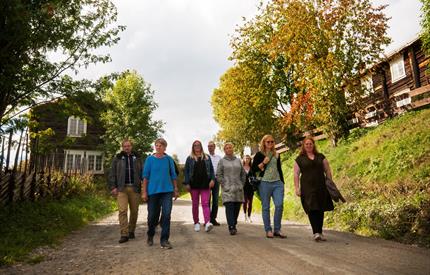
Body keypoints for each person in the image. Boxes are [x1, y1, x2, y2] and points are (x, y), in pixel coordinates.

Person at [293, 136, 334, 242]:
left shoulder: (320, 157)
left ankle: (320, 232)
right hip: (307, 187)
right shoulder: (299, 159)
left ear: (313, 145)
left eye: (310, 143)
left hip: (321, 186)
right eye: (306, 144)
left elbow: (327, 170)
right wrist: (297, 188)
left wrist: (329, 182)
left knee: (320, 208)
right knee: (312, 208)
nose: (308, 145)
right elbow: (296, 174)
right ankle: (315, 232)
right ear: (303, 146)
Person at [141, 138, 179, 249]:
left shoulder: (169, 160)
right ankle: (150, 234)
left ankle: (164, 240)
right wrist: (144, 191)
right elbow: (145, 177)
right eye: (157, 145)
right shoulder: (149, 160)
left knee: (167, 214)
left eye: (161, 145)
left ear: (165, 148)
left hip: (167, 191)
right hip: (153, 192)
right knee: (152, 216)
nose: (158, 147)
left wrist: (175, 189)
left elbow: (173, 175)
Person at [108, 139, 143, 243]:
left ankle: (131, 230)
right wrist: (113, 187)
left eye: (128, 146)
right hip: (121, 189)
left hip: (135, 188)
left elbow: (143, 172)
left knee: (134, 211)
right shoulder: (117, 159)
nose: (127, 148)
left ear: (131, 147)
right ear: (122, 147)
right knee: (122, 211)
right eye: (125, 146)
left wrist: (144, 187)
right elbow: (112, 173)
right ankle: (124, 234)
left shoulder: (137, 158)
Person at [252, 134, 286, 239]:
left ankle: (277, 229)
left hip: (277, 183)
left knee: (279, 205)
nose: (270, 143)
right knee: (266, 207)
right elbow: (254, 169)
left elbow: (279, 169)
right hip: (264, 183)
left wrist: (282, 182)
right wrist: (263, 162)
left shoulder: (277, 154)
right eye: (268, 142)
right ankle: (268, 230)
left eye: (272, 142)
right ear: (264, 143)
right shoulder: (259, 154)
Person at [184, 140, 215, 233]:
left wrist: (213, 180)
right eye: (195, 145)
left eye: (198, 145)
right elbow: (186, 171)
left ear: (201, 146)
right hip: (194, 184)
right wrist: (187, 183)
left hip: (205, 184)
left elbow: (212, 170)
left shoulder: (207, 157)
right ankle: (196, 223)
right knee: (195, 204)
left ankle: (207, 223)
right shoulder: (189, 158)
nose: (197, 147)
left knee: (205, 203)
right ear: (193, 147)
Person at [216, 142, 246, 235]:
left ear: (233, 149)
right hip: (227, 189)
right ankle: (231, 227)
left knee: (236, 208)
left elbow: (243, 174)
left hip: (238, 189)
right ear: (224, 150)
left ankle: (234, 223)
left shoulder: (238, 161)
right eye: (227, 148)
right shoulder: (222, 161)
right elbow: (218, 175)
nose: (229, 149)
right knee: (229, 207)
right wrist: (224, 184)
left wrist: (242, 184)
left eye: (230, 147)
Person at [207, 141, 222, 226]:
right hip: (208, 181)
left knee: (215, 200)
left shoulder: (219, 157)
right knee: (207, 200)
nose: (210, 148)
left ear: (214, 147)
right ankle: (207, 218)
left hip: (216, 180)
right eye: (209, 146)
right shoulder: (205, 157)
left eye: (211, 146)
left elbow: (221, 169)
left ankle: (213, 219)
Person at [242, 155, 255, 223]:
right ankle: (245, 215)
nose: (247, 159)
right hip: (243, 187)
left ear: (250, 160)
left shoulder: (252, 168)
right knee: (244, 202)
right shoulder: (241, 168)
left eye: (248, 158)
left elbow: (254, 176)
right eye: (246, 158)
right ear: (243, 159)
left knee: (250, 203)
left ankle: (249, 216)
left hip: (250, 187)